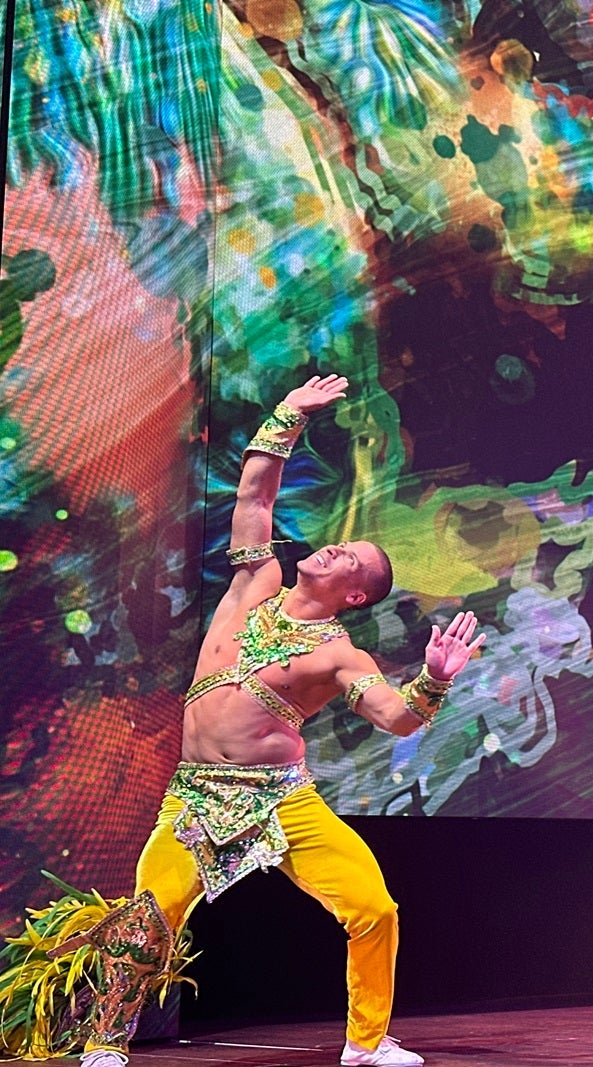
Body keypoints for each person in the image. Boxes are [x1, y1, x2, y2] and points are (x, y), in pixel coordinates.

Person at [63, 376, 486, 1067]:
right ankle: (104, 1043)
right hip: (194, 796)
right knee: (145, 921)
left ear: (352, 593)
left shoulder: (339, 653)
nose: (334, 548)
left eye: (352, 559)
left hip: (281, 799)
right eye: (343, 542)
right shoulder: (255, 581)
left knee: (373, 907)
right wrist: (288, 415)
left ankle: (367, 1041)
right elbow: (255, 495)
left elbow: (396, 717)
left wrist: (434, 678)